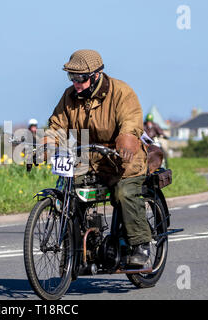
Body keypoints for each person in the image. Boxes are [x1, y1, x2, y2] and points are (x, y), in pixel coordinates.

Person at [46, 49, 152, 266]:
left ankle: (141, 244)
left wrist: (126, 140)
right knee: (69, 193)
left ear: (95, 76)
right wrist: (45, 145)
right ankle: (76, 249)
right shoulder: (69, 96)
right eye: (72, 77)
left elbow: (131, 121)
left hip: (123, 160)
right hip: (88, 160)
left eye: (80, 78)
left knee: (123, 194)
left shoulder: (122, 92)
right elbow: (56, 126)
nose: (76, 83)